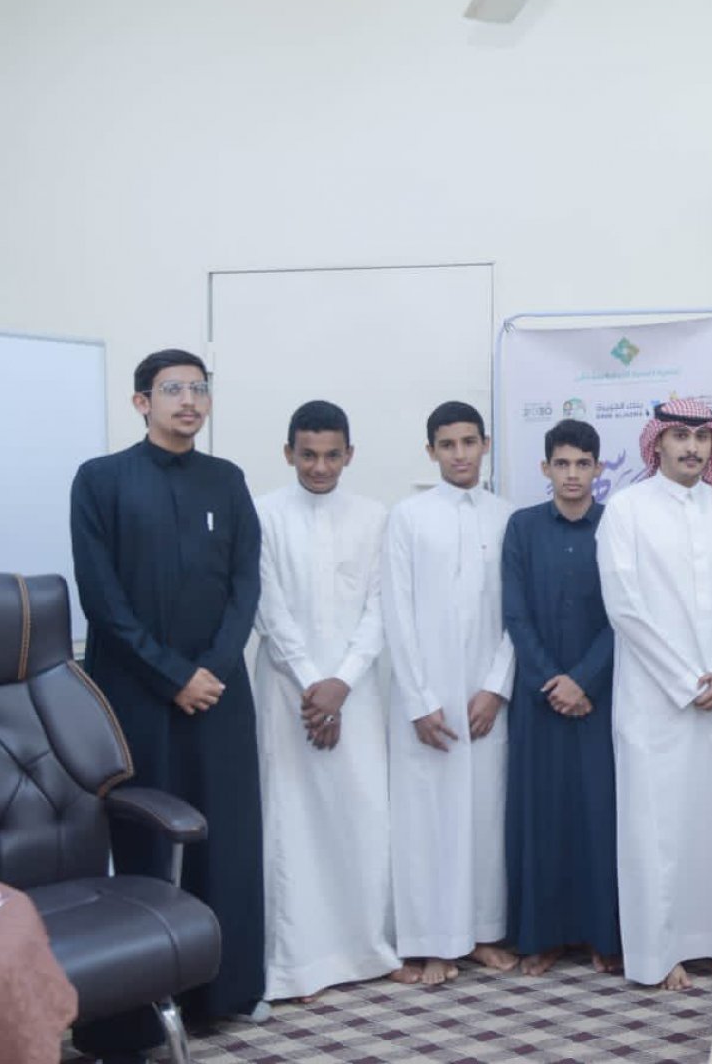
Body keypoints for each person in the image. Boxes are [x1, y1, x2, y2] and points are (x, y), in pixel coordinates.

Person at [69, 348, 266, 1057]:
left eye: (198, 388)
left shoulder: (227, 479)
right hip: (137, 694)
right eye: (173, 389)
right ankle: (138, 1011)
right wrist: (173, 675)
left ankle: (228, 991)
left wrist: (212, 668)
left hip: (219, 693)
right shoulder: (101, 480)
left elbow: (246, 583)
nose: (188, 401)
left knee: (226, 838)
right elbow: (102, 599)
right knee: (147, 839)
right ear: (141, 402)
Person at [596, 399, 712, 992]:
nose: (692, 447)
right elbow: (624, 606)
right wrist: (685, 681)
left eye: (701, 437)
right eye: (679, 436)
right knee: (658, 827)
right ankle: (660, 953)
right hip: (655, 699)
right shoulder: (627, 508)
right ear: (658, 443)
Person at [253, 400, 404, 999]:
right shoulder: (263, 513)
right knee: (290, 820)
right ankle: (295, 963)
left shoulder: (374, 516)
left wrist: (341, 684)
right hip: (287, 692)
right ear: (288, 453)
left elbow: (381, 607)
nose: (320, 467)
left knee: (361, 814)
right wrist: (314, 686)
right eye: (308, 455)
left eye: (331, 455)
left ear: (349, 455)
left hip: (357, 692)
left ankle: (368, 948)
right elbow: (268, 608)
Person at [384, 401, 517, 986]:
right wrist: (419, 700)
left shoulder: (508, 517)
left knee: (485, 818)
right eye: (447, 444)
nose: (460, 454)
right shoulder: (408, 517)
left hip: (486, 700)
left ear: (485, 444)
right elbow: (397, 610)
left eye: (469, 442)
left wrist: (496, 687)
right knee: (428, 821)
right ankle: (431, 942)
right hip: (427, 700)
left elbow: (518, 614)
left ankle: (482, 934)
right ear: (431, 451)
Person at [501, 418, 623, 978]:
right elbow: (515, 613)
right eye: (562, 463)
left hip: (602, 697)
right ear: (545, 468)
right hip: (540, 699)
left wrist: (586, 680)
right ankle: (543, 937)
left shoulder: (618, 525)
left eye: (582, 464)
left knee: (601, 814)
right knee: (542, 814)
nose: (572, 474)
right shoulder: (522, 527)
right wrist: (553, 682)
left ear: (598, 468)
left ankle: (605, 935)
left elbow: (626, 614)